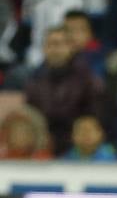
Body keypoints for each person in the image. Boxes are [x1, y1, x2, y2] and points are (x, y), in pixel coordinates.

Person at [23, 25, 104, 154]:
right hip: (44, 148)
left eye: (59, 44)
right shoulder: (34, 82)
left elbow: (95, 119)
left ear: (70, 47)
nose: (55, 49)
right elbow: (31, 119)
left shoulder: (88, 80)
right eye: (50, 44)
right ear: (44, 49)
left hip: (81, 150)